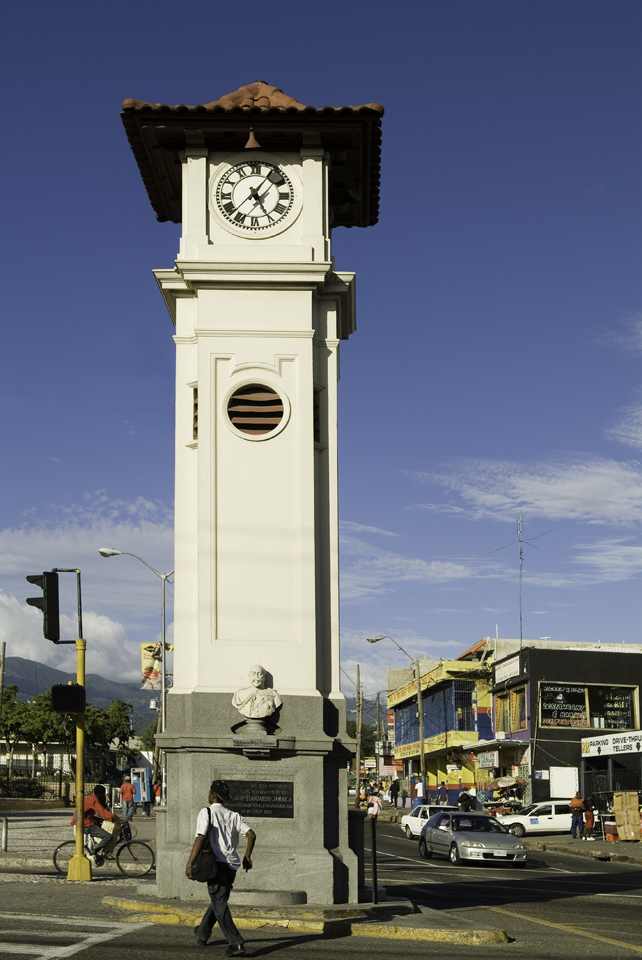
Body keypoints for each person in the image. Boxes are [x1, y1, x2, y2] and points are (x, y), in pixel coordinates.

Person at [186, 780, 256, 956]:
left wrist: (190, 862)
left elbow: (200, 837)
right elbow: (251, 834)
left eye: (210, 791)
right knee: (219, 899)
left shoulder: (206, 812)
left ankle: (236, 942)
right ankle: (203, 932)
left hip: (215, 864)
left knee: (219, 902)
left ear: (213, 794)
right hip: (231, 865)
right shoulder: (234, 815)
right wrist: (247, 856)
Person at [71, 784, 121, 864]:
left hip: (85, 821)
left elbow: (100, 813)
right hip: (84, 824)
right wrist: (116, 818)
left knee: (102, 829)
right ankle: (94, 851)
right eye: (103, 794)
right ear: (100, 794)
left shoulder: (91, 798)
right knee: (108, 836)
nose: (104, 796)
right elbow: (103, 813)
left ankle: (98, 849)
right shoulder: (93, 800)